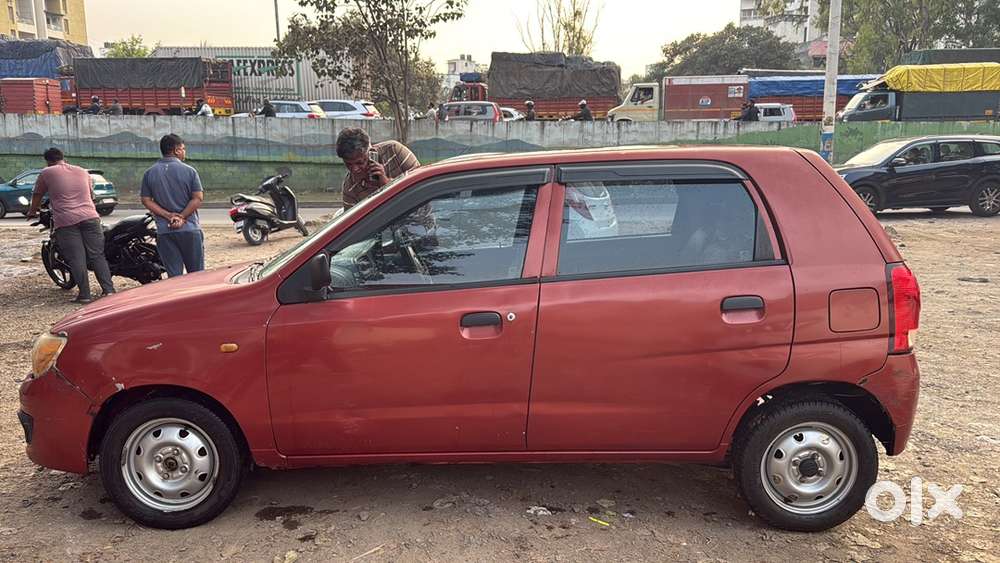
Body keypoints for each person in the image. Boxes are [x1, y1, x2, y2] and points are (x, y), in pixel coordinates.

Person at [26, 148, 115, 303]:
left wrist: (32, 211)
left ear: (47, 161)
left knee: (76, 258)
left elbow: (37, 194)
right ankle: (109, 291)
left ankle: (85, 295)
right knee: (97, 255)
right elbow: (91, 194)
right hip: (90, 217)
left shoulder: (47, 172)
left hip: (66, 221)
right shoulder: (82, 171)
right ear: (63, 158)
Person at [140, 134, 205, 277]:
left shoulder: (149, 173)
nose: (184, 152)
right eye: (183, 149)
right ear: (176, 150)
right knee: (197, 276)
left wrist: (167, 215)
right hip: (189, 229)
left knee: (174, 278)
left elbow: (146, 200)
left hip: (165, 231)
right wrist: (181, 216)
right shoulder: (190, 171)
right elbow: (198, 198)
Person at [337, 127, 420, 209]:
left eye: (360, 162)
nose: (355, 169)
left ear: (370, 152)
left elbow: (421, 187)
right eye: (348, 164)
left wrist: (386, 183)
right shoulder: (350, 188)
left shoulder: (395, 152)